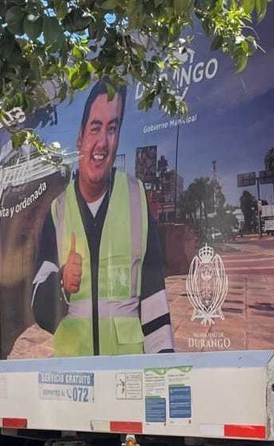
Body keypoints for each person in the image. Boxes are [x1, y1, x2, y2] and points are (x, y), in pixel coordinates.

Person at [32, 80, 173, 356]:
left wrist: (162, 369)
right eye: (96, 127)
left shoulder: (136, 199)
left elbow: (155, 297)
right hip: (76, 381)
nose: (102, 142)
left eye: (112, 129)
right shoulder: (57, 211)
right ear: (80, 136)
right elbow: (39, 309)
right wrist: (62, 282)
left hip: (126, 377)